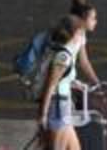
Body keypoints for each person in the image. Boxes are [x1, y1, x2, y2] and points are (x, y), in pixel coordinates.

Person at [36, 18, 80, 150]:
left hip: (64, 106)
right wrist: (43, 115)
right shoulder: (63, 57)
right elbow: (50, 86)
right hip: (58, 108)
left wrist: (74, 84)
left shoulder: (64, 53)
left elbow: (61, 80)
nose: (81, 36)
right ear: (73, 34)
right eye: (79, 32)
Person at [68, 0, 102, 88]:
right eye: (93, 18)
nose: (95, 21)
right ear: (83, 18)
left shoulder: (81, 35)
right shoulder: (68, 35)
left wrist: (97, 83)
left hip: (66, 82)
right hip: (58, 85)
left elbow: (84, 62)